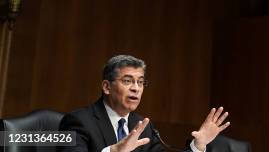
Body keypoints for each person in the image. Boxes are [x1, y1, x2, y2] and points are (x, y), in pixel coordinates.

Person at [59, 55, 229, 152]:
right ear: (106, 86)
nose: (136, 88)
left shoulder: (142, 126)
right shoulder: (77, 121)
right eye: (127, 81)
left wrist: (198, 145)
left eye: (140, 82)